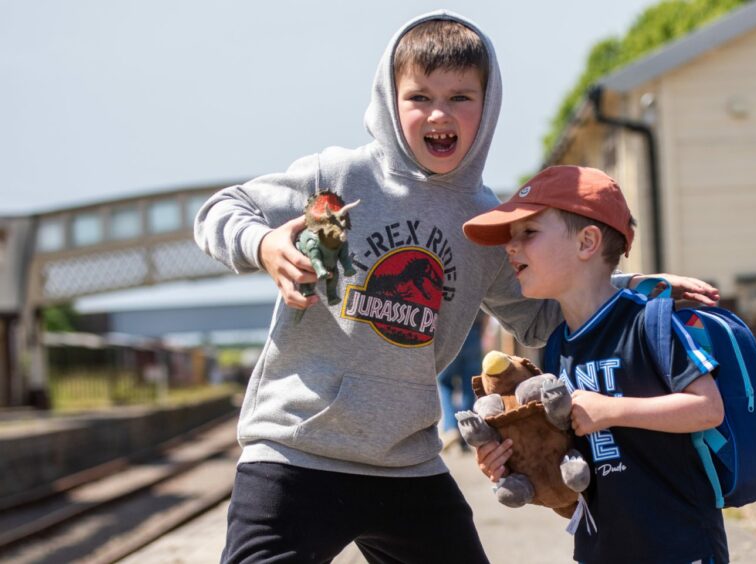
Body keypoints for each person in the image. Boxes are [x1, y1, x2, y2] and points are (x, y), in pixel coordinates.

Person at [195, 11, 719, 563]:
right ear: (389, 101)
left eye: (461, 97)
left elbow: (543, 314)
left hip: (406, 461)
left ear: (487, 108)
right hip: (296, 449)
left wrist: (635, 288)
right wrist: (262, 244)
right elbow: (221, 210)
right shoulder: (339, 179)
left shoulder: (482, 223)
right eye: (419, 96)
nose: (439, 113)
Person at [463, 165, 728, 563]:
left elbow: (708, 408)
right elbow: (569, 463)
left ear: (587, 242)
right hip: (599, 549)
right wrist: (515, 460)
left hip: (679, 545)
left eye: (528, 233)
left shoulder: (649, 323)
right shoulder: (557, 347)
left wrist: (611, 411)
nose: (510, 247)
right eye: (511, 237)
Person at [438, 311, 488, 451]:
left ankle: (451, 427)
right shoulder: (477, 288)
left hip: (448, 334)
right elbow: (486, 316)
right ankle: (466, 433)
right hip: (474, 333)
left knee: (444, 383)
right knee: (469, 387)